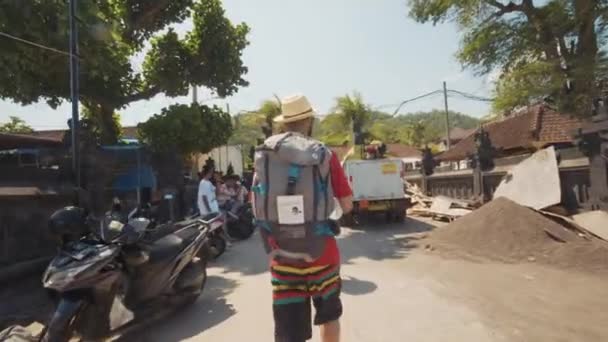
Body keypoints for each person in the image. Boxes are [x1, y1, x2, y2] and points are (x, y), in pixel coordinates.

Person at [252, 94, 353, 342]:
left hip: (281, 252)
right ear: (309, 121)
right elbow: (347, 205)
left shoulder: (265, 156)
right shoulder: (325, 155)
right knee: (329, 317)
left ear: (284, 123)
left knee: (289, 330)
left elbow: (255, 204)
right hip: (321, 251)